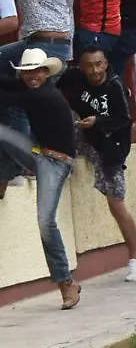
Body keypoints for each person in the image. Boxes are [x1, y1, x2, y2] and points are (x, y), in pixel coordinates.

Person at [57, 46, 136, 281]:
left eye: (99, 64)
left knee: (116, 203)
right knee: (60, 112)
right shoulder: (74, 78)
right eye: (89, 66)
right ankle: (57, 159)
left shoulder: (114, 85)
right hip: (86, 137)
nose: (95, 70)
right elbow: (55, 84)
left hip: (112, 148)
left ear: (106, 63)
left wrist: (98, 120)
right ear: (81, 67)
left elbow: (124, 119)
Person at [0, 49, 81, 309]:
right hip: (38, 153)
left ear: (46, 72)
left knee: (45, 223)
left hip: (56, 164)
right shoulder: (32, 87)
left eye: (37, 71)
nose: (32, 76)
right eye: (27, 72)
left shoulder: (41, 95)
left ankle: (66, 284)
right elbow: (8, 84)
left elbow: (5, 96)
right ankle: (4, 177)